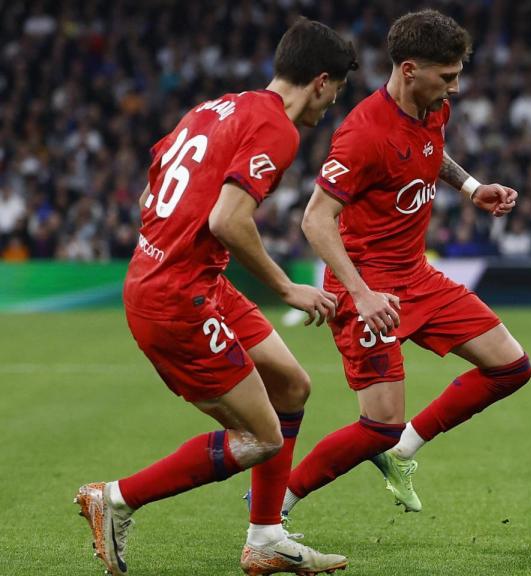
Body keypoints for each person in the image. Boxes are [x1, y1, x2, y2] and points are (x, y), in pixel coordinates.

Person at [74, 18, 358, 576]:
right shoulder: (279, 129)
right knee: (261, 438)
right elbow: (227, 219)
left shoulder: (215, 108)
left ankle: (266, 539)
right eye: (337, 94)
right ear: (322, 82)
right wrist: (287, 288)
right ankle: (114, 499)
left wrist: (169, 248)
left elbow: (150, 187)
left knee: (293, 386)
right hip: (177, 295)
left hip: (190, 278)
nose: (331, 107)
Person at [281, 9, 531, 520]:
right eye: (448, 76)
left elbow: (429, 152)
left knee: (511, 367)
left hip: (417, 275)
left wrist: (470, 187)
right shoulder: (362, 133)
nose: (456, 89)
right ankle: (273, 505)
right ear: (409, 68)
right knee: (377, 424)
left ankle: (400, 454)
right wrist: (360, 294)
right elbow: (315, 220)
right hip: (370, 287)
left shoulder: (432, 106)